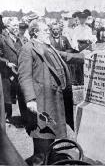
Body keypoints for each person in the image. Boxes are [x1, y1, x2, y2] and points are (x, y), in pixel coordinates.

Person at [18, 21, 75, 165]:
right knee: (41, 133)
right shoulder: (28, 48)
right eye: (45, 29)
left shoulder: (47, 46)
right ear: (35, 32)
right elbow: (24, 76)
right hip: (41, 99)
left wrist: (84, 56)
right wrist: (30, 99)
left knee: (50, 130)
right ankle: (40, 160)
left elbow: (63, 56)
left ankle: (49, 156)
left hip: (53, 98)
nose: (49, 31)